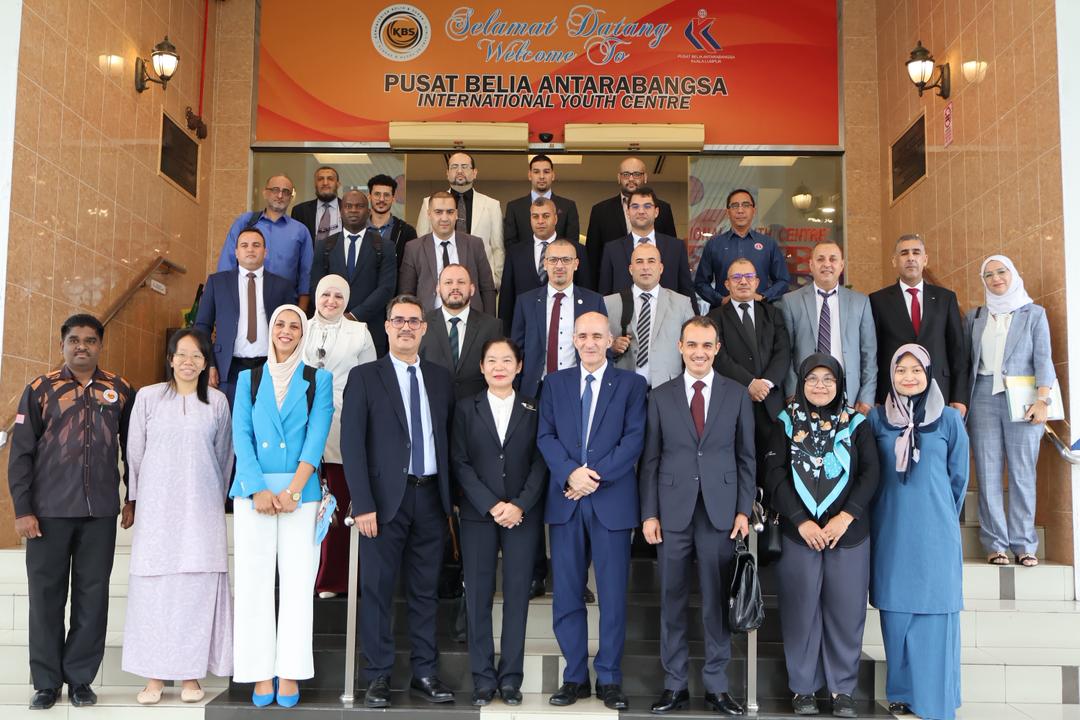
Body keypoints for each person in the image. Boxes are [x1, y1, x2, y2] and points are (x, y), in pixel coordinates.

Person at [8, 314, 136, 710]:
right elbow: (20, 453)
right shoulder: (40, 389)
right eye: (74, 340)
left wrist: (133, 496)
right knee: (46, 598)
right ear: (62, 344)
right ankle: (47, 683)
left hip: (100, 512)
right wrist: (23, 508)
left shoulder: (119, 389)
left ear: (100, 345)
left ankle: (81, 680)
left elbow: (135, 449)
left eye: (90, 340)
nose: (82, 346)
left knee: (91, 598)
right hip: (47, 513)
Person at [341, 295, 456, 708]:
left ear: (424, 328)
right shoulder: (364, 377)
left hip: (431, 498)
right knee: (377, 590)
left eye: (413, 321)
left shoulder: (441, 379)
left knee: (425, 592)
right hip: (382, 503)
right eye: (399, 321)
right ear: (386, 327)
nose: (406, 327)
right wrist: (362, 503)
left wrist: (451, 501)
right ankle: (377, 676)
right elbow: (352, 444)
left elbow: (449, 439)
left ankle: (425, 673)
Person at [639, 316, 753, 717]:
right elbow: (650, 460)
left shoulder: (737, 394)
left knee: (717, 603)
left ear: (717, 348)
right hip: (672, 512)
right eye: (692, 344)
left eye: (707, 345)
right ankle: (674, 685)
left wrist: (744, 509)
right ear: (680, 347)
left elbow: (746, 458)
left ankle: (717, 687)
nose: (699, 352)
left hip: (720, 513)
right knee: (671, 599)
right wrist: (649, 513)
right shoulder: (660, 396)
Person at [537, 312, 648, 710]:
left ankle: (610, 677)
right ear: (573, 339)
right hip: (566, 500)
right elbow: (545, 436)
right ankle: (574, 677)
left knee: (613, 595)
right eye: (582, 336)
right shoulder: (554, 383)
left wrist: (592, 477)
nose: (589, 342)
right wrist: (571, 473)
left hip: (611, 501)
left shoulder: (632, 385)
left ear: (610, 340)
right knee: (567, 593)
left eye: (597, 336)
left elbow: (633, 440)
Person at [229, 304, 334, 708]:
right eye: (280, 324)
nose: (286, 331)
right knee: (253, 584)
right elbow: (241, 434)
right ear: (271, 330)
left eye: (294, 325)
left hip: (299, 494)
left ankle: (289, 671)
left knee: (297, 585)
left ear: (303, 334)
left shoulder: (318, 379)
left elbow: (316, 436)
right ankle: (259, 671)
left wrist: (292, 490)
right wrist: (257, 488)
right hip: (253, 492)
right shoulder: (249, 378)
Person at [122, 328, 234, 704]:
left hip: (201, 511)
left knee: (194, 594)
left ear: (205, 364)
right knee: (155, 594)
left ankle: (190, 677)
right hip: (157, 509)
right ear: (170, 359)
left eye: (197, 356)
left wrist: (213, 498)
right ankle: (154, 678)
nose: (188, 361)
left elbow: (224, 456)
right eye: (182, 354)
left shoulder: (217, 402)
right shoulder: (148, 397)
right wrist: (136, 498)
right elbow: (135, 451)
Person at [765, 354, 879, 717]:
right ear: (801, 383)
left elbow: (872, 474)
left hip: (848, 533)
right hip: (800, 533)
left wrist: (845, 517)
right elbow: (773, 473)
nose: (820, 385)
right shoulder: (786, 421)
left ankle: (842, 690)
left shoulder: (856, 423)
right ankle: (803, 690)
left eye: (828, 379)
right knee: (800, 612)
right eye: (812, 378)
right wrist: (801, 520)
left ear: (839, 384)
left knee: (846, 612)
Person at [869, 344, 968, 720]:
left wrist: (938, 514)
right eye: (900, 370)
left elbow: (959, 479)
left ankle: (933, 699)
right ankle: (901, 692)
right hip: (891, 529)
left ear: (928, 374)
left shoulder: (949, 420)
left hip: (935, 531)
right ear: (891, 375)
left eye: (916, 370)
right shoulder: (877, 419)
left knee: (935, 614)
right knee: (896, 613)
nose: (908, 377)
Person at [451, 338, 548, 706]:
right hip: (478, 514)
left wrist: (519, 504)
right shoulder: (466, 408)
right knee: (478, 596)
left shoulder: (534, 408)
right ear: (481, 367)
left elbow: (541, 462)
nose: (499, 367)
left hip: (523, 515)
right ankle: (482, 678)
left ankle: (510, 679)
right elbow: (459, 461)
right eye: (491, 360)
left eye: (507, 360)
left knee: (517, 596)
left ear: (519, 366)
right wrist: (491, 504)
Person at [965, 255, 1054, 567]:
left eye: (1001, 272)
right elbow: (966, 361)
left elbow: (1043, 359)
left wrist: (1043, 400)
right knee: (988, 472)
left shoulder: (1034, 314)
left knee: (1022, 472)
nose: (996, 278)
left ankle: (1025, 543)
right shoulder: (975, 316)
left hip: (1024, 398)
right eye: (988, 275)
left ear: (1013, 274)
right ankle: (995, 544)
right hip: (982, 397)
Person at [302, 275, 376, 598]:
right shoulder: (299, 326)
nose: (331, 301)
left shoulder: (359, 332)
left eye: (338, 296)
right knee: (305, 503)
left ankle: (334, 579)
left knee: (338, 501)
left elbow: (369, 382)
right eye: (325, 295)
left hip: (343, 422)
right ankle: (302, 577)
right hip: (303, 421)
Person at [709, 258, 792, 483]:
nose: (743, 281)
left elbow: (783, 351)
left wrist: (766, 384)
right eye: (736, 277)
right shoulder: (715, 317)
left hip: (770, 402)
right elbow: (719, 357)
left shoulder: (773, 313)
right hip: (734, 400)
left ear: (757, 282)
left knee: (772, 467)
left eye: (748, 277)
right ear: (727, 284)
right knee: (738, 464)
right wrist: (749, 383)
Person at [195, 227, 298, 405]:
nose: (250, 249)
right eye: (244, 245)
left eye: (256, 245)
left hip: (270, 368)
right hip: (227, 369)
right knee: (230, 421)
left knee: (266, 420)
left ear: (265, 252)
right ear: (236, 252)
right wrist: (209, 363)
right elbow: (202, 326)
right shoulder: (217, 283)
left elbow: (294, 328)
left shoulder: (282, 286)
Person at [869, 234, 970, 412]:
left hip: (940, 390)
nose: (910, 258)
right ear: (894, 261)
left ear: (925, 259)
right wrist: (876, 397)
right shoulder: (877, 300)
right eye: (904, 253)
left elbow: (957, 351)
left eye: (916, 253)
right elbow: (873, 352)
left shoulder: (946, 298)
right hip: (893, 393)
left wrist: (959, 396)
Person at [780, 241, 877, 415]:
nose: (827, 264)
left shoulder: (860, 302)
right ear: (811, 265)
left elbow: (869, 354)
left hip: (849, 391)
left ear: (841, 265)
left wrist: (867, 397)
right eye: (820, 259)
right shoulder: (791, 301)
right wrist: (792, 393)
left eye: (833, 259)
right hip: (805, 389)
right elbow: (786, 353)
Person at [511, 238, 607, 398]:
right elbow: (516, 350)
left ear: (576, 264)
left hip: (580, 389)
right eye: (553, 260)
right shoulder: (526, 301)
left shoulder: (594, 301)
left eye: (566, 260)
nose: (559, 266)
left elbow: (603, 349)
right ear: (545, 264)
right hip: (536, 391)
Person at [309, 188, 396, 356]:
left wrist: (354, 316)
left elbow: (386, 289)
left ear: (368, 212)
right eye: (348, 206)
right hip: (330, 328)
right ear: (340, 212)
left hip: (370, 328)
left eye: (359, 206)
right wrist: (335, 314)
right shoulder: (324, 245)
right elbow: (316, 287)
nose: (354, 210)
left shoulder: (385, 247)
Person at [217, 174, 314, 310]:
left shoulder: (301, 231)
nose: (280, 195)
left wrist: (301, 311)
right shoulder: (245, 222)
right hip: (244, 300)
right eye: (275, 190)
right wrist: (225, 303)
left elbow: (306, 273)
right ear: (265, 193)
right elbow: (228, 261)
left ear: (291, 197)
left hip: (285, 305)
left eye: (286, 192)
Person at [605, 242, 694, 389]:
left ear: (661, 268)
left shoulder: (682, 303)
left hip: (668, 388)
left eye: (651, 261)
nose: (645, 267)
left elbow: (694, 346)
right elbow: (595, 346)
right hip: (623, 388)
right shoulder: (609, 303)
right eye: (639, 262)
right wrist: (611, 348)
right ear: (631, 269)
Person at [499, 197, 592, 335]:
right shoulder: (515, 253)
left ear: (555, 218)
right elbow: (507, 299)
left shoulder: (577, 250)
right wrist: (506, 337)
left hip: (567, 331)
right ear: (530, 219)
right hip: (526, 331)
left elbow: (586, 291)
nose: (540, 221)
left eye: (546, 216)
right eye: (535, 216)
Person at [400, 191, 497, 314]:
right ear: (429, 214)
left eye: (450, 212)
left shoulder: (474, 244)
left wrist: (489, 322)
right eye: (438, 212)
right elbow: (406, 293)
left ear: (456, 214)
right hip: (428, 319)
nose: (444, 218)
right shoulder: (414, 248)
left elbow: (487, 288)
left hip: (471, 320)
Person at [586, 156, 677, 287]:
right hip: (616, 285)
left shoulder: (663, 208)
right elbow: (592, 257)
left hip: (657, 286)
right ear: (619, 178)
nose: (631, 179)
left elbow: (671, 253)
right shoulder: (600, 211)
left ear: (645, 177)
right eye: (626, 174)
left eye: (636, 174)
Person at [416, 152, 505, 285]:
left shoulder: (492, 205)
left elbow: (498, 248)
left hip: (480, 281)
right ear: (447, 173)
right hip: (439, 281)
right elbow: (422, 243)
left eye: (464, 166)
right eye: (454, 167)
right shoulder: (428, 203)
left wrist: (496, 281)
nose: (459, 171)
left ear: (474, 173)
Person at [694, 189, 791, 307]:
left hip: (760, 312)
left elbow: (783, 281)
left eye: (746, 205)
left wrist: (763, 297)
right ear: (728, 212)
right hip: (724, 313)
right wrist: (721, 300)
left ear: (753, 211)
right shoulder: (714, 244)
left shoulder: (768, 244)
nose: (740, 210)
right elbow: (700, 283)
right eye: (735, 206)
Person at [419, 264, 502, 401]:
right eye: (448, 282)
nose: (455, 287)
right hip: (433, 406)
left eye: (461, 282)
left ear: (472, 289)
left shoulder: (492, 326)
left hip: (476, 408)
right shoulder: (421, 325)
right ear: (438, 289)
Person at [597, 185, 693, 298]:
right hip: (624, 309)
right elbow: (605, 295)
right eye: (635, 206)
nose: (641, 211)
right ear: (628, 212)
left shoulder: (676, 247)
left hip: (668, 309)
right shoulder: (612, 249)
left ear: (656, 212)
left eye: (647, 206)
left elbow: (687, 292)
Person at [503, 154, 581, 246]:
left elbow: (572, 244)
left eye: (546, 172)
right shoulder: (514, 207)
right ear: (529, 175)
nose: (541, 176)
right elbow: (510, 245)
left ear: (553, 175)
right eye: (536, 172)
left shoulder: (568, 206)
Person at [367, 173, 417, 271]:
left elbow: (411, 269)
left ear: (393, 199)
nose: (382, 199)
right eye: (377, 194)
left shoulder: (407, 232)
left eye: (386, 195)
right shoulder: (358, 229)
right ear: (369, 196)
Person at [291, 165, 341, 245]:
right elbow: (295, 243)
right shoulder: (300, 211)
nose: (325, 183)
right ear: (315, 184)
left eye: (330, 179)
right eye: (320, 179)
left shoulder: (348, 210)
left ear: (338, 184)